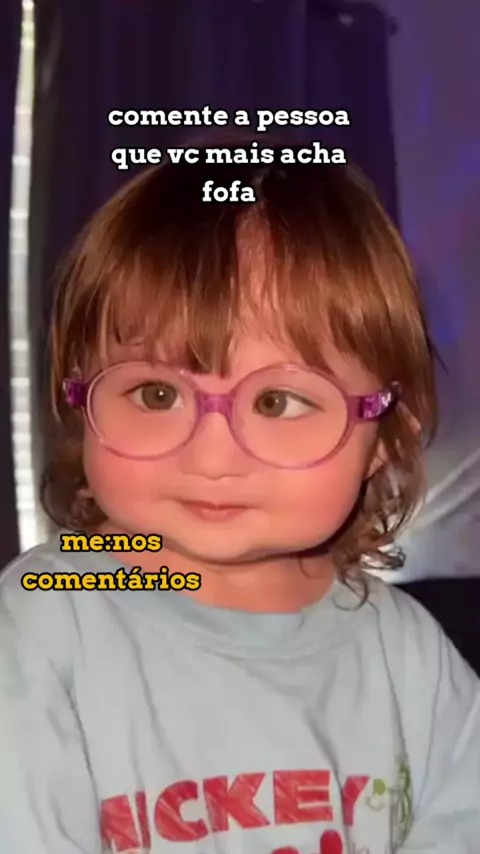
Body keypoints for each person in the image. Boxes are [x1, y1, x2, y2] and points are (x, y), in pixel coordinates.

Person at [0, 146, 479, 854]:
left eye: (279, 401)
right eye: (155, 394)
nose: (212, 457)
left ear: (382, 438)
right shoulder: (41, 618)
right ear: (81, 400)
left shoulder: (406, 652)